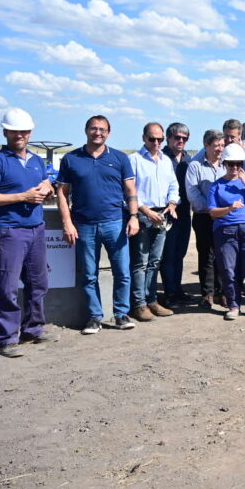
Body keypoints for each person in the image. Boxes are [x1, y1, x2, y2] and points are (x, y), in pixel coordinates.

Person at [0, 108, 58, 357]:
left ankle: (33, 329)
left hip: (35, 228)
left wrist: (49, 190)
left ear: (30, 133)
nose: (19, 135)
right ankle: (7, 338)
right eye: (14, 131)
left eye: (23, 131)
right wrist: (22, 196)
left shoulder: (36, 161)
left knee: (38, 282)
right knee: (6, 285)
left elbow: (46, 189)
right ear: (5, 132)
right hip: (8, 231)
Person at [56, 115, 140, 334]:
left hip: (116, 223)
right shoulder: (71, 159)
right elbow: (62, 194)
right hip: (84, 225)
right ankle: (95, 317)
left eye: (102, 129)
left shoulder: (120, 158)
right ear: (86, 130)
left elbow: (130, 190)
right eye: (94, 128)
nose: (98, 133)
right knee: (89, 274)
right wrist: (67, 223)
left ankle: (121, 314)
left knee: (122, 272)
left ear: (109, 133)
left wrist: (133, 216)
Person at [207, 143, 245, 320]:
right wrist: (229, 208)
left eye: (238, 164)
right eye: (231, 164)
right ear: (224, 164)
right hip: (226, 230)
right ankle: (234, 305)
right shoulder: (216, 186)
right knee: (228, 269)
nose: (234, 167)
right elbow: (212, 212)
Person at [128, 122, 178, 322]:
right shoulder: (134, 160)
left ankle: (152, 300)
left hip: (162, 215)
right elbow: (129, 192)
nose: (156, 143)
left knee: (155, 262)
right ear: (143, 138)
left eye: (160, 139)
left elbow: (173, 185)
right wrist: (146, 211)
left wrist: (173, 203)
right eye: (152, 139)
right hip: (142, 215)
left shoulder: (166, 160)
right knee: (140, 262)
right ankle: (138, 304)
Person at [185, 130, 226, 309]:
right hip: (204, 217)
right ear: (206, 146)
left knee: (224, 255)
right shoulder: (195, 166)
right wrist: (210, 209)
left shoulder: (228, 165)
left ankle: (223, 292)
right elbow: (192, 192)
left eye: (222, 145)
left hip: (225, 217)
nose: (220, 149)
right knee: (207, 256)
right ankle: (207, 294)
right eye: (216, 145)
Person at [159, 122, 194, 305]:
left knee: (180, 252)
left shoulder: (188, 160)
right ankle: (169, 293)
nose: (181, 141)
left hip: (185, 212)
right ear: (169, 138)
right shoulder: (161, 157)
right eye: (177, 137)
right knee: (168, 253)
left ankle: (177, 289)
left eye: (184, 138)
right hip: (167, 211)